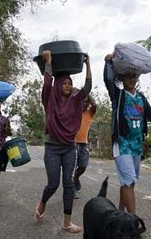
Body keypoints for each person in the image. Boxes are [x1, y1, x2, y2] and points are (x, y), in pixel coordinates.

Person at [34, 50, 92, 234]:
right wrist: (49, 62)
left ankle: (67, 222)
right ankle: (42, 202)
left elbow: (88, 87)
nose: (67, 85)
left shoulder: (76, 101)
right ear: (58, 85)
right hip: (52, 147)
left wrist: (88, 64)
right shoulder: (50, 100)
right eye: (64, 83)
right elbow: (46, 84)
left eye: (70, 82)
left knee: (68, 184)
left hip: (69, 147)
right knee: (53, 184)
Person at [103, 53, 151, 214]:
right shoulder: (118, 95)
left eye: (134, 76)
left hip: (136, 145)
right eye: (128, 76)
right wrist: (108, 62)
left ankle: (120, 212)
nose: (132, 79)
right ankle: (133, 220)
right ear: (122, 78)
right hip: (122, 144)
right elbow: (108, 80)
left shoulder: (141, 98)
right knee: (129, 180)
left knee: (129, 182)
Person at [73, 94, 97, 199]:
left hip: (84, 144)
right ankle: (73, 189)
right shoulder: (73, 111)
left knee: (83, 166)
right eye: (82, 101)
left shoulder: (89, 113)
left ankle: (76, 179)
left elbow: (95, 104)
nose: (85, 103)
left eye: (87, 102)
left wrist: (86, 92)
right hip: (72, 144)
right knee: (72, 169)